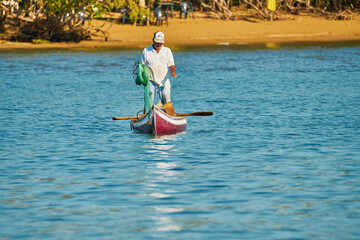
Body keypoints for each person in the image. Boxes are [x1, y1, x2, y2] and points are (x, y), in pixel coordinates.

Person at [141, 31, 177, 107]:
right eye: (157, 42)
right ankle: (147, 116)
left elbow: (172, 64)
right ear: (153, 40)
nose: (159, 44)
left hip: (164, 81)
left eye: (161, 42)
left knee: (167, 103)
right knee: (148, 104)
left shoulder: (167, 50)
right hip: (150, 81)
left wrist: (172, 71)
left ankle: (168, 115)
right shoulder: (146, 50)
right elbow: (143, 66)